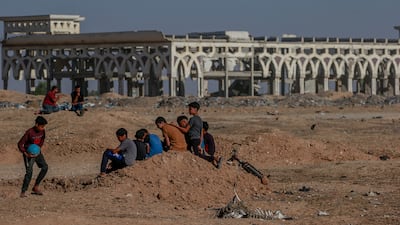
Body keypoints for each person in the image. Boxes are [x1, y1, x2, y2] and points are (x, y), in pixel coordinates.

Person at [17, 116, 49, 197]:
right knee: (29, 172)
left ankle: (36, 186)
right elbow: (20, 144)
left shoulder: (43, 131)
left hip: (37, 153)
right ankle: (23, 192)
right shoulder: (29, 132)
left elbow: (42, 140)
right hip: (29, 154)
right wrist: (26, 153)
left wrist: (38, 149)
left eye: (44, 126)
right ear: (36, 124)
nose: (42, 128)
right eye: (41, 126)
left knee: (45, 167)